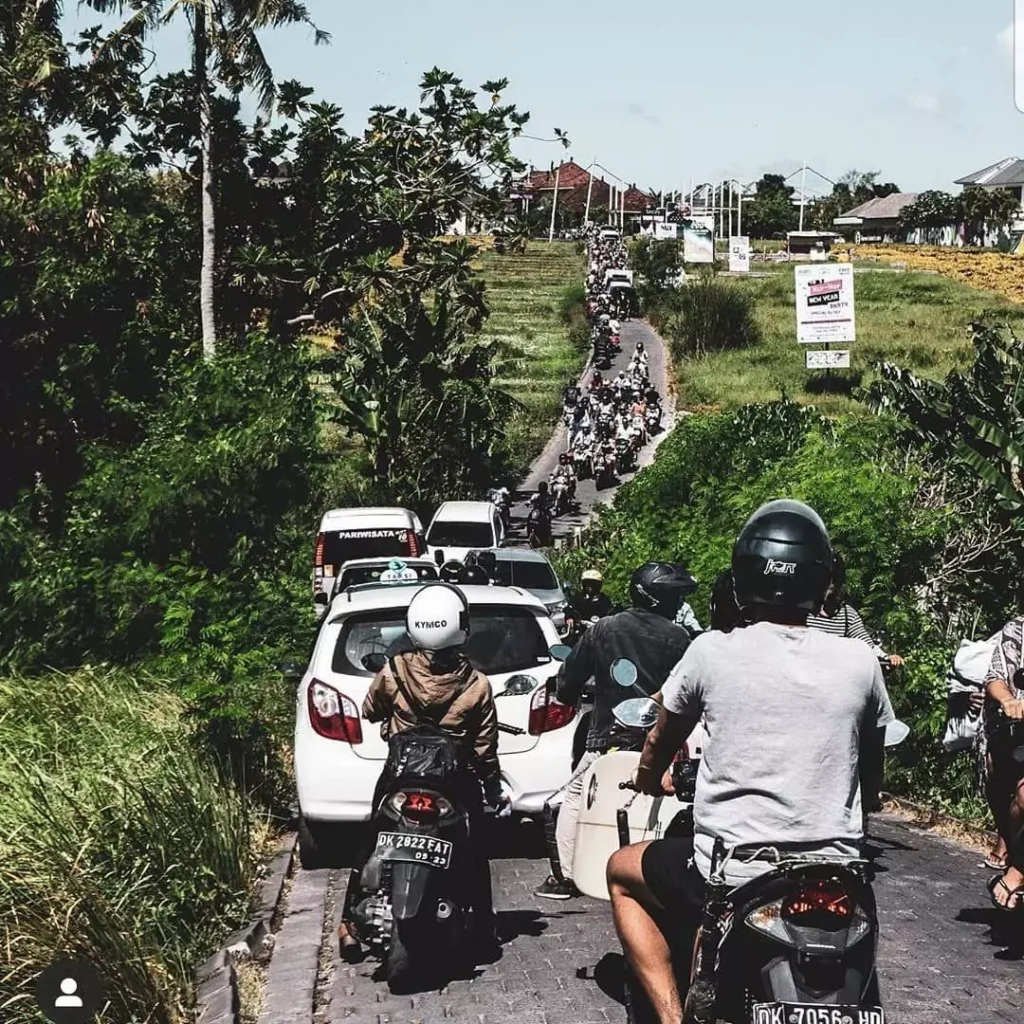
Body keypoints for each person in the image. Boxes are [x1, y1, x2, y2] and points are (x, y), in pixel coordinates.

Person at [606, 501, 895, 1024]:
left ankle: (672, 1018)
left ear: (742, 577)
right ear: (822, 578)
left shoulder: (711, 652)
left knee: (621, 872)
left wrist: (651, 777)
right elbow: (869, 776)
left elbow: (660, 740)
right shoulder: (860, 660)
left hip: (736, 870)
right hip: (839, 873)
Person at [337, 584, 509, 962]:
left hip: (400, 776)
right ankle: (481, 925)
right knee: (473, 851)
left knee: (370, 841)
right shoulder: (476, 684)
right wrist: (493, 787)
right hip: (455, 781)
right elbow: (484, 748)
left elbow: (370, 710)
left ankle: (348, 924)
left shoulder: (393, 670)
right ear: (460, 627)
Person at [535, 563, 694, 900]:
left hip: (607, 736)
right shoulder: (679, 638)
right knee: (663, 801)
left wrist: (567, 694)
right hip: (659, 739)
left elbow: (570, 676)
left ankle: (562, 876)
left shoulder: (604, 629)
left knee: (577, 795)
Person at [982, 616, 1024, 909]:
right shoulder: (1018, 629)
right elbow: (995, 676)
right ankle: (1017, 859)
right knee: (1021, 795)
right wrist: (1009, 700)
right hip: (1020, 730)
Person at [807, 552, 905, 666]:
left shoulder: (846, 615)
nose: (829, 583)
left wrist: (887, 657)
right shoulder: (802, 610)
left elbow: (866, 645)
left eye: (833, 578)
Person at [565, 568, 615, 634]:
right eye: (587, 584)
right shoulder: (578, 598)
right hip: (580, 633)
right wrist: (570, 618)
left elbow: (610, 615)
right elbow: (569, 609)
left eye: (593, 584)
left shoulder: (604, 600)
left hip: (599, 633)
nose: (590, 587)